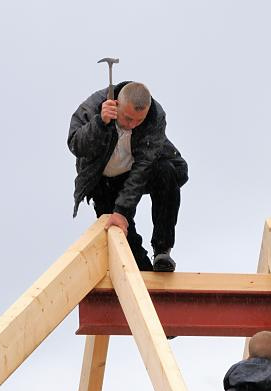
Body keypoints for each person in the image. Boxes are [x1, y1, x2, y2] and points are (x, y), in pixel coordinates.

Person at [68, 80, 188, 272]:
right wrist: (100, 122)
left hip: (135, 174)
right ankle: (143, 274)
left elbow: (144, 165)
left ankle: (162, 250)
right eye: (127, 118)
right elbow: (76, 145)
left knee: (166, 171)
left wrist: (122, 211)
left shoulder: (155, 116)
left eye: (138, 121)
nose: (132, 125)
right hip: (103, 182)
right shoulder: (92, 108)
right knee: (122, 239)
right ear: (116, 105)